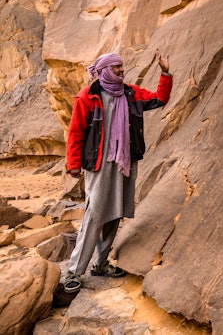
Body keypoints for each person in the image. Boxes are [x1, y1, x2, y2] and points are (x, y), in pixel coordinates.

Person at [63, 51, 172, 293]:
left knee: (114, 213)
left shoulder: (130, 93)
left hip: (124, 162)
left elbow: (158, 100)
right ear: (105, 71)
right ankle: (74, 271)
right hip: (100, 165)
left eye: (122, 67)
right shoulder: (87, 97)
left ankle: (100, 265)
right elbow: (76, 133)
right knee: (94, 215)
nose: (122, 71)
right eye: (117, 68)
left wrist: (165, 73)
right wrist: (73, 164)